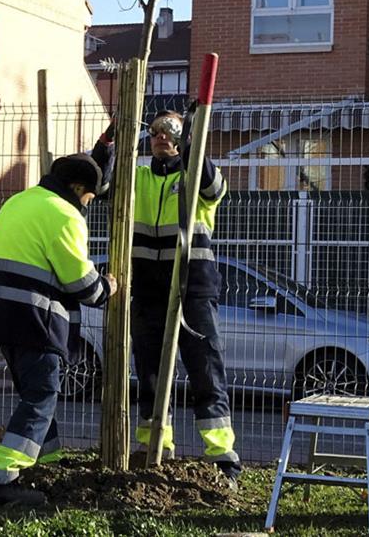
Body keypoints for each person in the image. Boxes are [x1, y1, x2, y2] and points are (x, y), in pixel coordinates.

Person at [92, 109, 241, 487]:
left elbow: (214, 187)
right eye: (157, 131)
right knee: (151, 373)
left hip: (193, 286)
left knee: (205, 370)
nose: (163, 137)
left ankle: (222, 457)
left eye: (171, 131)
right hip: (147, 288)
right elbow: (100, 182)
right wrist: (109, 141)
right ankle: (153, 449)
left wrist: (194, 142)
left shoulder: (193, 176)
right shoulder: (137, 177)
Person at [0, 153, 117, 506]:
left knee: (33, 392)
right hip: (34, 316)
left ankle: (44, 461)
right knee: (42, 395)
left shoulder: (19, 201)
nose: (88, 205)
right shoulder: (64, 214)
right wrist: (108, 287)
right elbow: (81, 283)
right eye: (90, 198)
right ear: (78, 188)